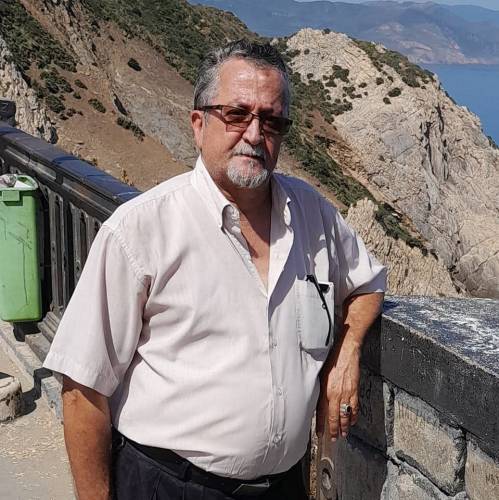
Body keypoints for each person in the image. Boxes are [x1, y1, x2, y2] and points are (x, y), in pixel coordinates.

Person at [43, 40, 386, 500]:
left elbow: (368, 283)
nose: (254, 134)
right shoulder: (140, 230)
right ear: (198, 124)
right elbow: (83, 388)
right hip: (169, 486)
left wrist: (347, 350)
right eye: (236, 114)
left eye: (271, 120)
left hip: (284, 486)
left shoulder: (313, 215)